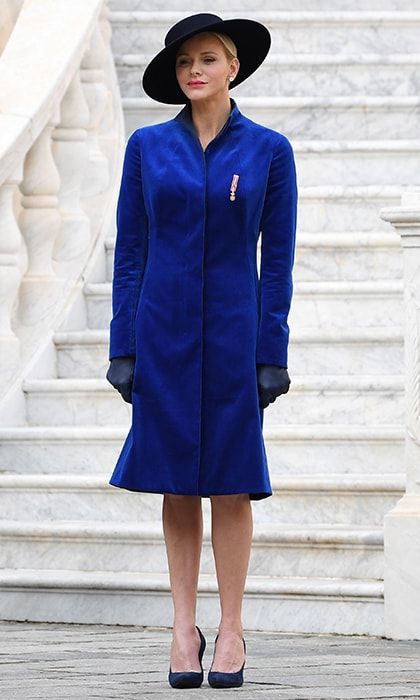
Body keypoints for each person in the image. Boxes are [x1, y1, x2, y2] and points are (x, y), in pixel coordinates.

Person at [106, 12, 298, 690]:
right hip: (161, 335)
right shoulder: (147, 148)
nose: (195, 69)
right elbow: (130, 250)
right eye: (186, 59)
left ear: (233, 67)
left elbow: (277, 261)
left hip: (234, 338)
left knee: (230, 481)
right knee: (176, 483)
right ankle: (182, 629)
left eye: (209, 57)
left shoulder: (270, 151)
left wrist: (270, 349)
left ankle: (233, 630)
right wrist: (122, 344)